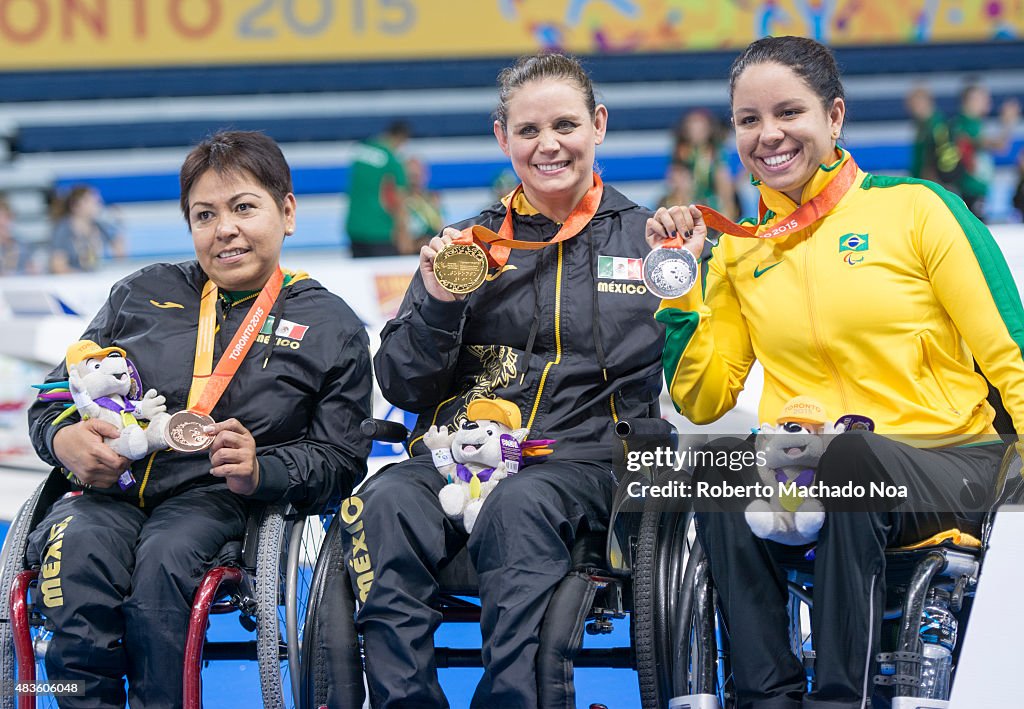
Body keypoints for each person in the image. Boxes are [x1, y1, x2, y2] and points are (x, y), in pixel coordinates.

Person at [648, 36, 1024, 708]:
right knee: (715, 471)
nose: (770, 135)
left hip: (950, 460)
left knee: (847, 460)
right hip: (810, 467)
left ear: (835, 117)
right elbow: (702, 401)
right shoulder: (739, 254)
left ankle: (837, 698)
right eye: (749, 119)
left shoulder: (917, 209)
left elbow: (1009, 352)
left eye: (789, 112)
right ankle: (770, 694)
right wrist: (684, 287)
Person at [342, 53, 665, 708]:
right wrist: (437, 302)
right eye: (528, 130)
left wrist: (687, 288)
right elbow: (403, 385)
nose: (548, 145)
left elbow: (692, 380)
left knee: (521, 502)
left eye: (566, 125)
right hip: (458, 459)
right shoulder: (464, 245)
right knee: (378, 501)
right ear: (502, 138)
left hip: (581, 466)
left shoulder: (650, 241)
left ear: (598, 125)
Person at [26, 130, 372, 708]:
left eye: (243, 207)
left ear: (286, 212)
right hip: (108, 491)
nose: (225, 228)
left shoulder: (330, 325)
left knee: (165, 564)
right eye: (204, 214)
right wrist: (64, 437)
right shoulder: (140, 292)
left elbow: (339, 460)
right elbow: (59, 391)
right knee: (74, 559)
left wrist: (260, 468)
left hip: (212, 499)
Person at [947, 81, 1021, 220]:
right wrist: (1008, 123)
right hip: (969, 189)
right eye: (982, 98)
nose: (988, 101)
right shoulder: (965, 124)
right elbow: (999, 145)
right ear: (970, 100)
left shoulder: (975, 124)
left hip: (976, 189)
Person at [345, 120, 412, 257]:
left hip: (354, 226)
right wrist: (404, 233)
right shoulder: (392, 161)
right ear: (401, 138)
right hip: (380, 230)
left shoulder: (361, 151)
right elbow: (396, 200)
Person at [670, 108, 737, 217]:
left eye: (701, 128)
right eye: (693, 127)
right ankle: (684, 215)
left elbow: (724, 180)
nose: (697, 131)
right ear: (686, 130)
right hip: (687, 197)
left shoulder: (716, 150)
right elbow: (674, 177)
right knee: (681, 178)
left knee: (722, 175)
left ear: (709, 130)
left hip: (712, 196)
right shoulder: (681, 151)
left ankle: (727, 215)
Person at [49, 184, 126, 273]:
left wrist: (118, 224)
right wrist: (85, 278)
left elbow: (120, 255)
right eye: (93, 201)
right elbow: (58, 267)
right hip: (72, 282)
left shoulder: (100, 226)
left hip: (94, 279)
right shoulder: (63, 230)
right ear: (76, 205)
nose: (98, 205)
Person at [403, 156, 444, 252]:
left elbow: (440, 227)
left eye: (418, 175)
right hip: (409, 252)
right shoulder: (400, 202)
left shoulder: (432, 199)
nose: (415, 180)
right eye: (411, 176)